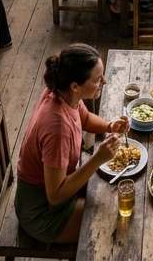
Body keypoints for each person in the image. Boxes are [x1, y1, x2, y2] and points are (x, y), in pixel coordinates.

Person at [16, 44, 129, 244]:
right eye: (97, 79)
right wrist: (98, 159)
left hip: (59, 191)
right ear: (75, 86)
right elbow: (55, 195)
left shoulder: (63, 93)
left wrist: (110, 126)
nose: (104, 81)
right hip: (43, 212)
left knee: (114, 196)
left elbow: (84, 118)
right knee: (113, 221)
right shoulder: (57, 128)